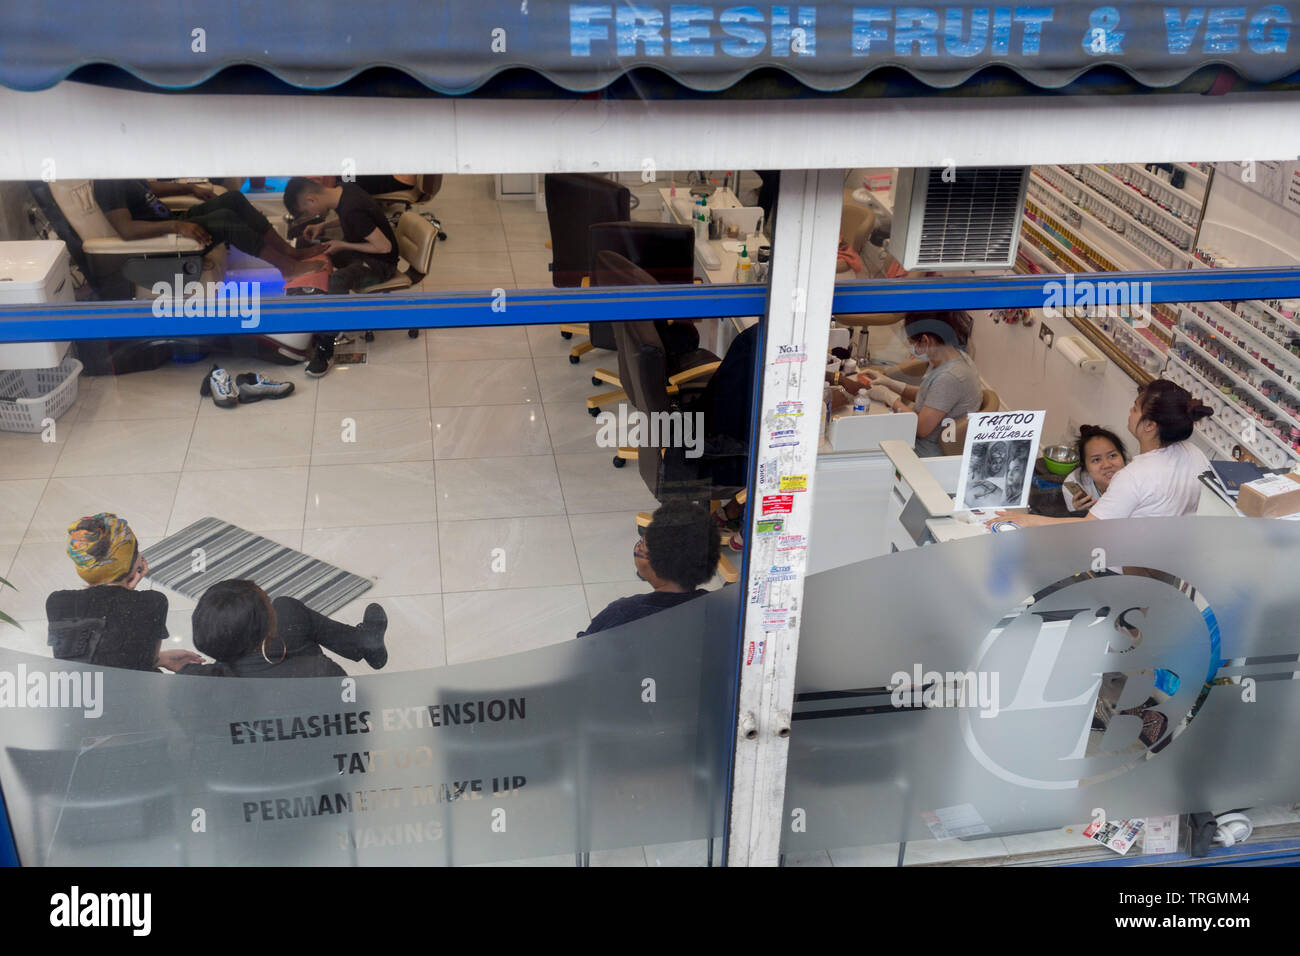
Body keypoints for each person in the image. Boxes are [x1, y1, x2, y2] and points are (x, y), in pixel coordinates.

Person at [989, 379, 1213, 528]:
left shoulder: (1134, 476)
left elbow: (1089, 529)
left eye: (1135, 408)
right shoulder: (1196, 455)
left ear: (1149, 426)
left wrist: (1028, 521)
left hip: (1122, 568)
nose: (1130, 411)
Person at [46, 514, 205, 673]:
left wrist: (124, 590)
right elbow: (149, 659)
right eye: (136, 549)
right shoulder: (153, 602)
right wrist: (126, 590)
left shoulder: (57, 602)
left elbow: (91, 657)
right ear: (131, 562)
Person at [282, 177, 402, 376]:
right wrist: (324, 227)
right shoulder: (345, 191)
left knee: (337, 282)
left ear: (311, 200)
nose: (311, 215)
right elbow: (351, 218)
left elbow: (384, 247)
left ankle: (326, 347)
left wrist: (342, 245)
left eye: (307, 212)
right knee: (312, 245)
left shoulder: (351, 209)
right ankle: (313, 303)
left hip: (380, 264)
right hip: (364, 253)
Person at [94, 180, 320, 281]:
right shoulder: (107, 183)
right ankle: (287, 267)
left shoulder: (120, 171)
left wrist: (190, 187)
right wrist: (176, 226)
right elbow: (126, 230)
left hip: (172, 222)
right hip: (163, 238)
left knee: (233, 199)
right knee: (225, 219)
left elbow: (149, 188)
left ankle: (289, 253)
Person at [180, 579, 389, 678]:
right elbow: (355, 713)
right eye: (267, 604)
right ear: (269, 627)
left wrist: (157, 659)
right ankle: (364, 643)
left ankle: (364, 643)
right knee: (287, 608)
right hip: (326, 760)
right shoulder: (319, 672)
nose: (272, 608)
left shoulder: (194, 682)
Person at [577, 501, 720, 638]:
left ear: (656, 562)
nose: (637, 548)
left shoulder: (623, 613)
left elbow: (583, 653)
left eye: (642, 544)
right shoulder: (722, 609)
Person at [856, 311, 984, 458]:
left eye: (912, 343)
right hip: (922, 439)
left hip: (925, 452)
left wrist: (890, 398)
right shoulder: (953, 356)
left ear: (925, 340)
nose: (912, 348)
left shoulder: (950, 377)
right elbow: (932, 397)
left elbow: (920, 428)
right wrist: (891, 384)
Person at [1061, 425, 1130, 513]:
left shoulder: (1136, 480)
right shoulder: (1074, 483)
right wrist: (1078, 513)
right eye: (1096, 460)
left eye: (1112, 456)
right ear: (1085, 466)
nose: (1107, 465)